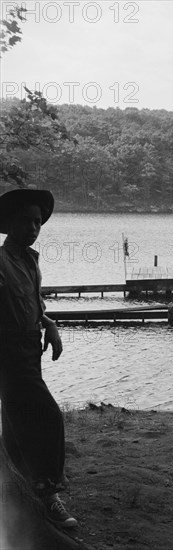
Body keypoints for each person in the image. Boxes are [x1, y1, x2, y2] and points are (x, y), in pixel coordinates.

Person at [0, 188, 77, 529]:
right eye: (25, 221)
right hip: (8, 351)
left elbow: (33, 304)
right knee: (47, 417)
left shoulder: (30, 259)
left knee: (18, 422)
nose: (32, 227)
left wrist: (51, 324)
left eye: (37, 222)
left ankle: (27, 494)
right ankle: (47, 491)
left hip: (32, 349)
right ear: (9, 224)